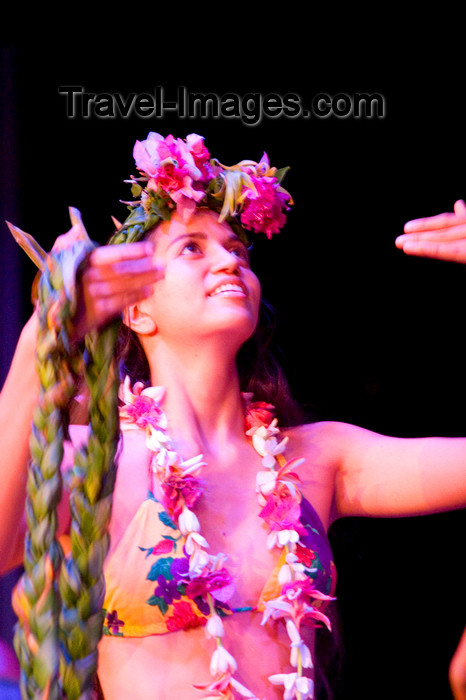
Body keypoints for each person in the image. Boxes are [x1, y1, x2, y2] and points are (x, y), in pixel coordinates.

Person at [1, 132, 466, 700]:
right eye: (193, 248)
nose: (229, 260)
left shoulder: (318, 459)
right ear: (136, 309)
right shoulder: (97, 460)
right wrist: (45, 333)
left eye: (239, 251)